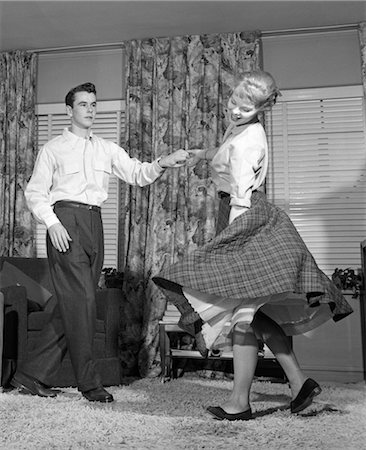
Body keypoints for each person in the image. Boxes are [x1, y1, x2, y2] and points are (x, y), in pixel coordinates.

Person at [153, 70, 353, 420]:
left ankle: (241, 402)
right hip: (237, 213)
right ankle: (298, 382)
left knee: (243, 315)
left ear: (262, 108)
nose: (234, 110)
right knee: (251, 314)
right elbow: (226, 153)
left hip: (244, 217)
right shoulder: (241, 129)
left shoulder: (250, 141)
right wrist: (202, 153)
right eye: (233, 101)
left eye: (245, 108)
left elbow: (242, 197)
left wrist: (233, 247)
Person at [10, 82, 189, 403]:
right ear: (70, 110)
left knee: (76, 304)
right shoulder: (53, 148)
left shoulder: (106, 148)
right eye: (83, 104)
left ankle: (30, 375)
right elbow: (35, 192)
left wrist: (164, 161)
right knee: (83, 304)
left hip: (95, 223)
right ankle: (88, 383)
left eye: (93, 104)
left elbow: (138, 173)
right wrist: (52, 224)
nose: (90, 109)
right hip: (66, 222)